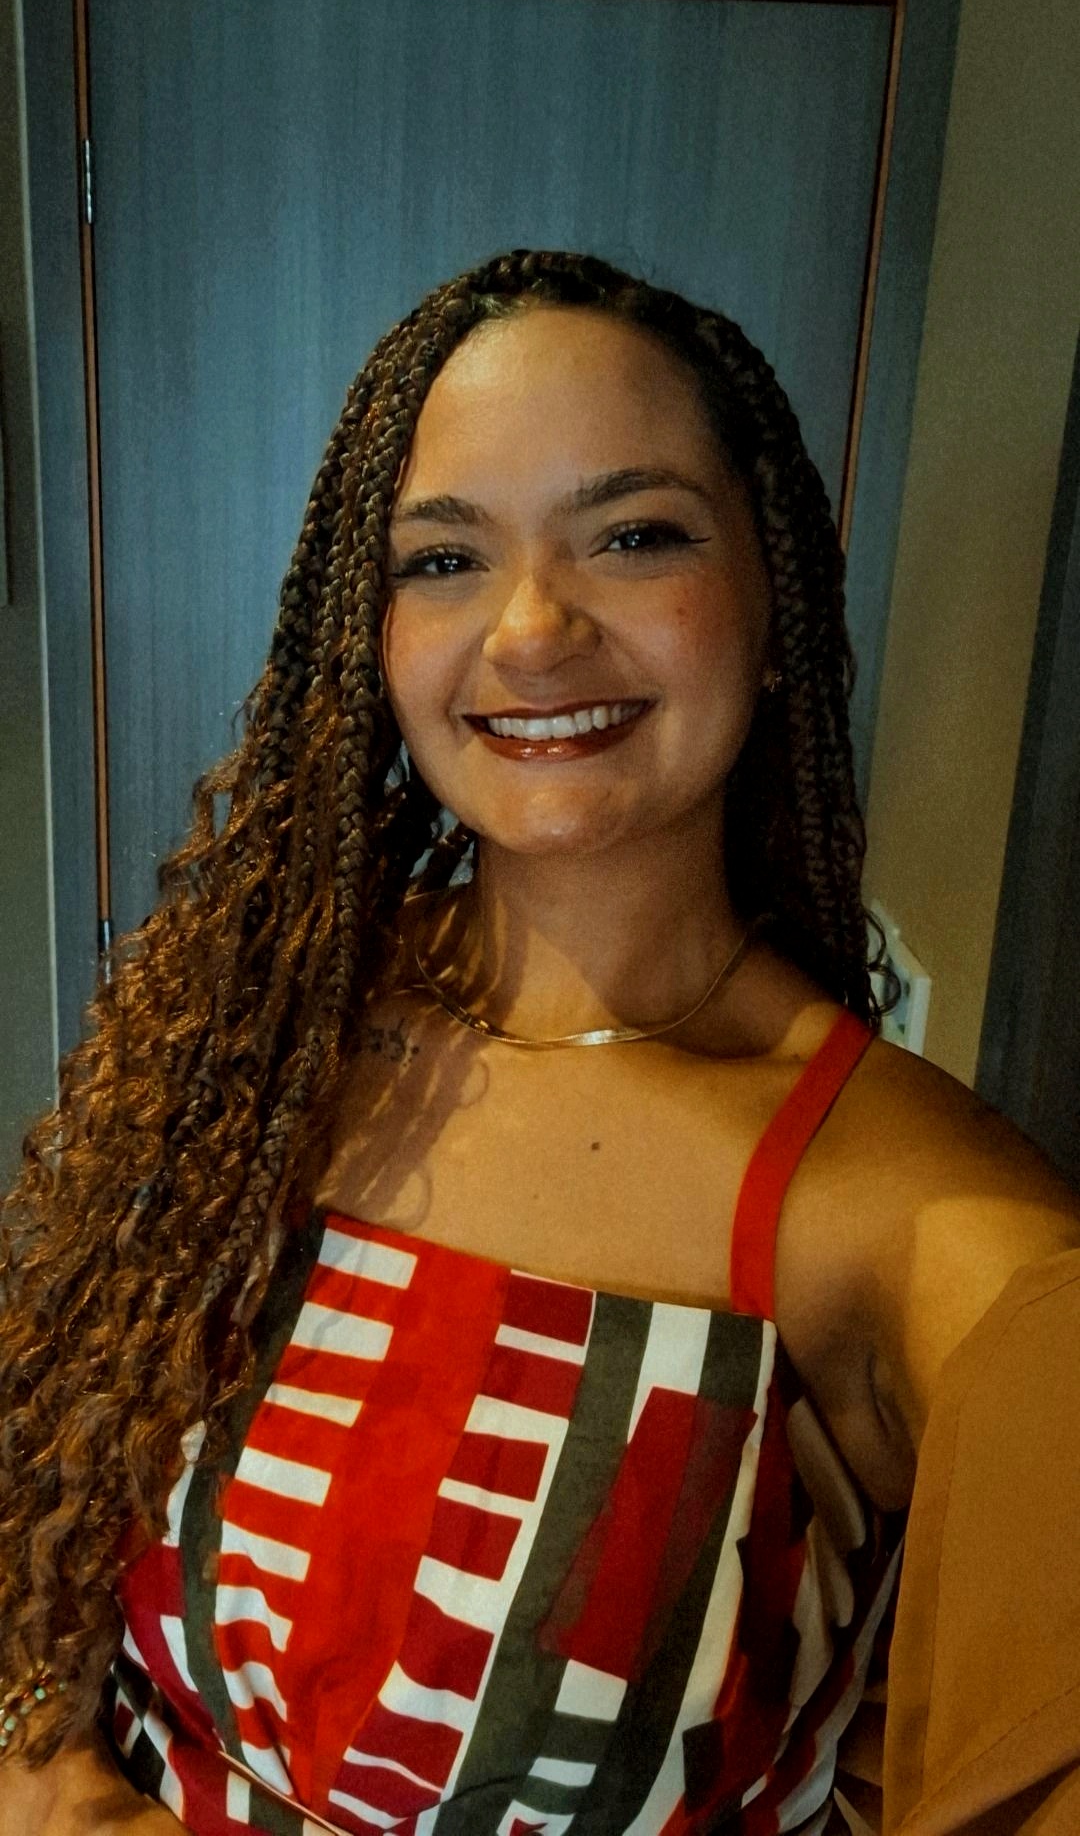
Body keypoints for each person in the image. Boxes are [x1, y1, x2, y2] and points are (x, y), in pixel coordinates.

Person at [0, 248, 1076, 1836]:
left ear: (775, 604)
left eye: (635, 536)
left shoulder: (938, 1238)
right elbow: (49, 1496)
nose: (528, 629)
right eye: (443, 559)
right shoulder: (258, 1026)